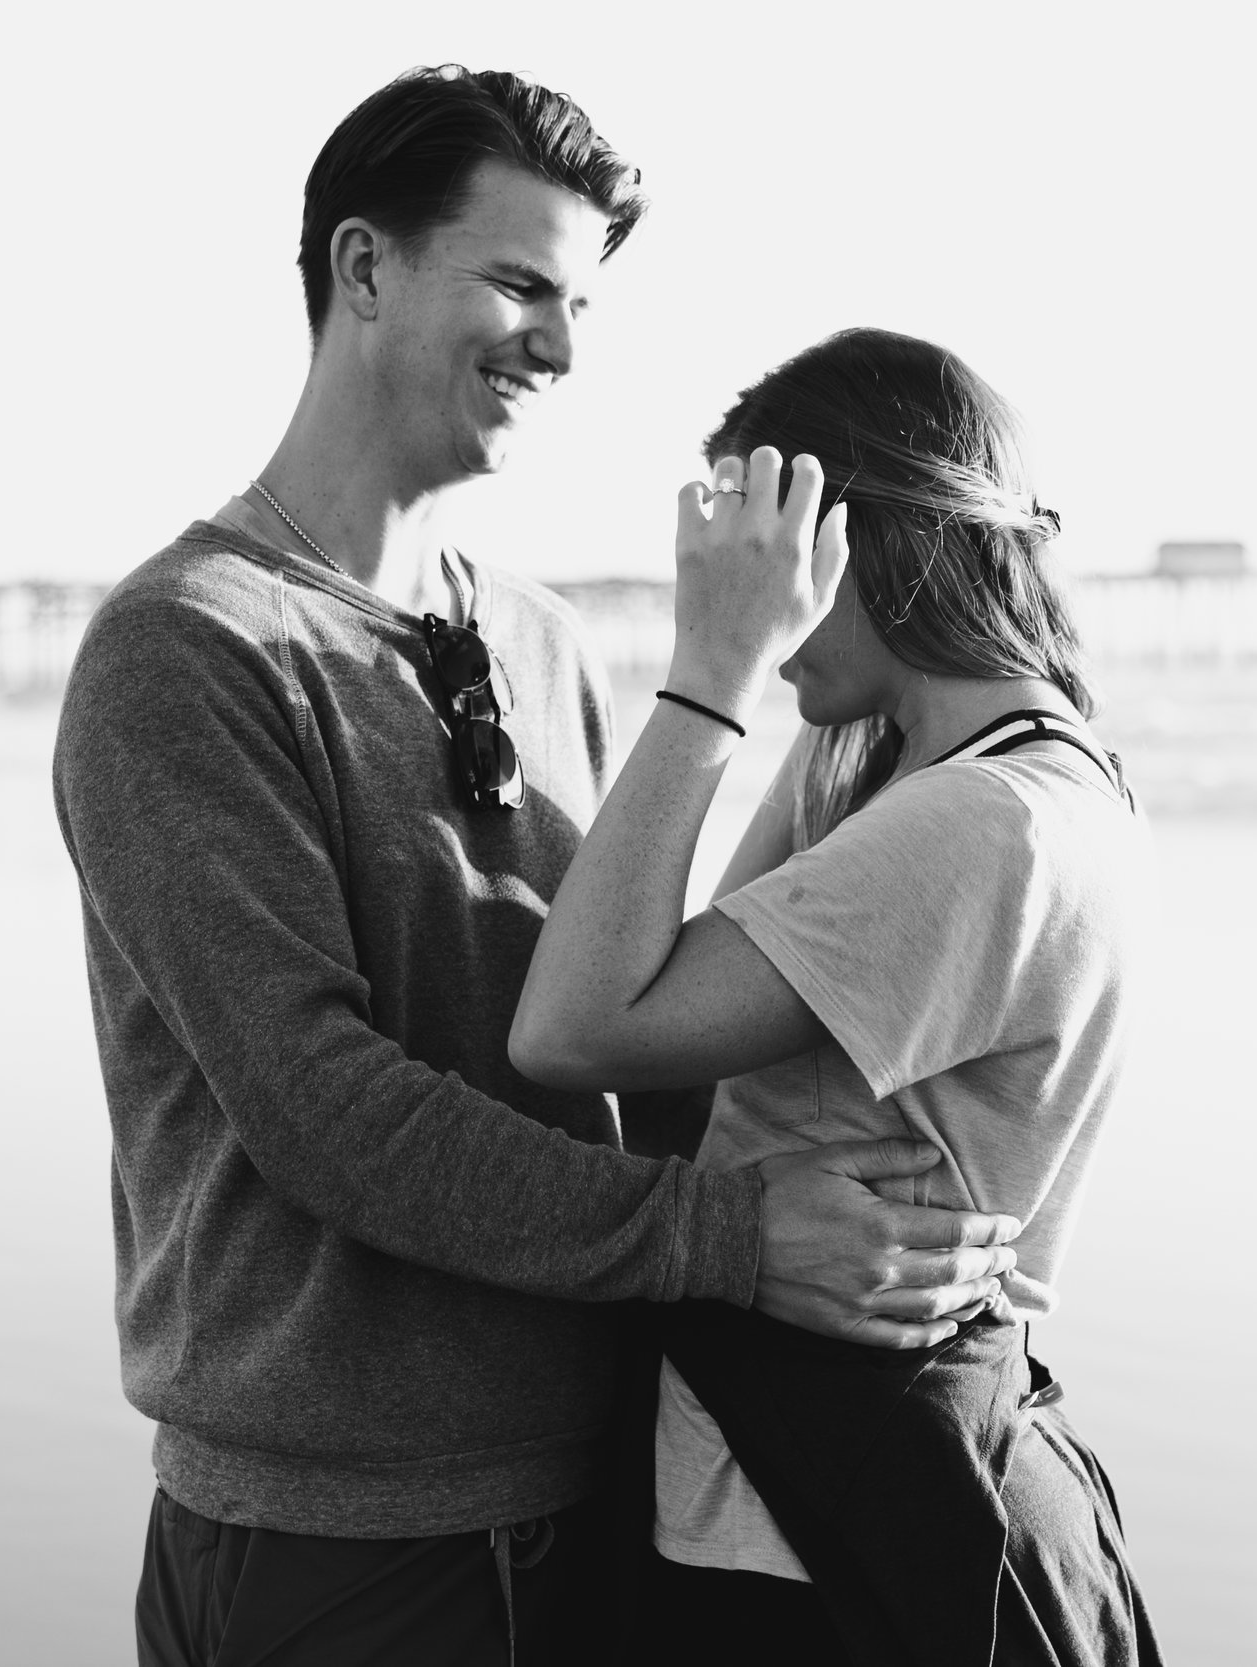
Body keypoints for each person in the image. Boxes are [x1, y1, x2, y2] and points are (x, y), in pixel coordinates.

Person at [53, 72, 1023, 1666]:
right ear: (362, 269)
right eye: (517, 284)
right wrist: (738, 1239)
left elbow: (633, 1033)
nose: (561, 349)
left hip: (599, 1488)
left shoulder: (543, 637)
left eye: (580, 305)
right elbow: (328, 1115)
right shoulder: (188, 651)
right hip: (342, 1539)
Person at [510, 329, 1164, 1665]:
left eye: (766, 550)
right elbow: (665, 1053)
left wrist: (717, 667)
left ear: (858, 544)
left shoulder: (978, 828)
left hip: (812, 1546)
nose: (731, 581)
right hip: (846, 1490)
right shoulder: (941, 769)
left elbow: (573, 1030)